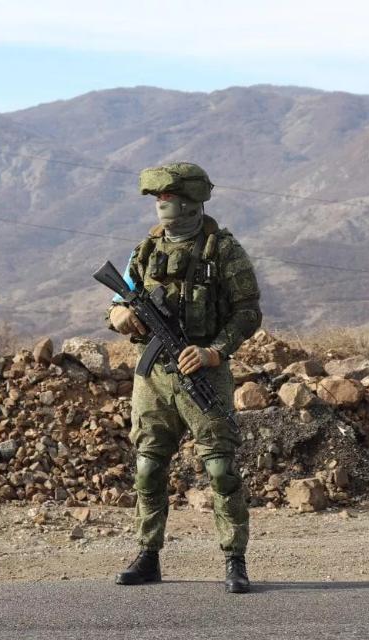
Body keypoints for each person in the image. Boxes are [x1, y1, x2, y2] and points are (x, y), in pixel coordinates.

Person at [104, 162, 262, 593]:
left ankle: (234, 559)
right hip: (153, 377)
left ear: (192, 202)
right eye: (158, 199)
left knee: (221, 468)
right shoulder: (145, 250)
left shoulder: (223, 251)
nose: (162, 205)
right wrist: (120, 316)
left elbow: (248, 312)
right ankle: (148, 555)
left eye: (169, 198)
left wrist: (214, 351)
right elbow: (118, 300)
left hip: (203, 373)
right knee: (147, 467)